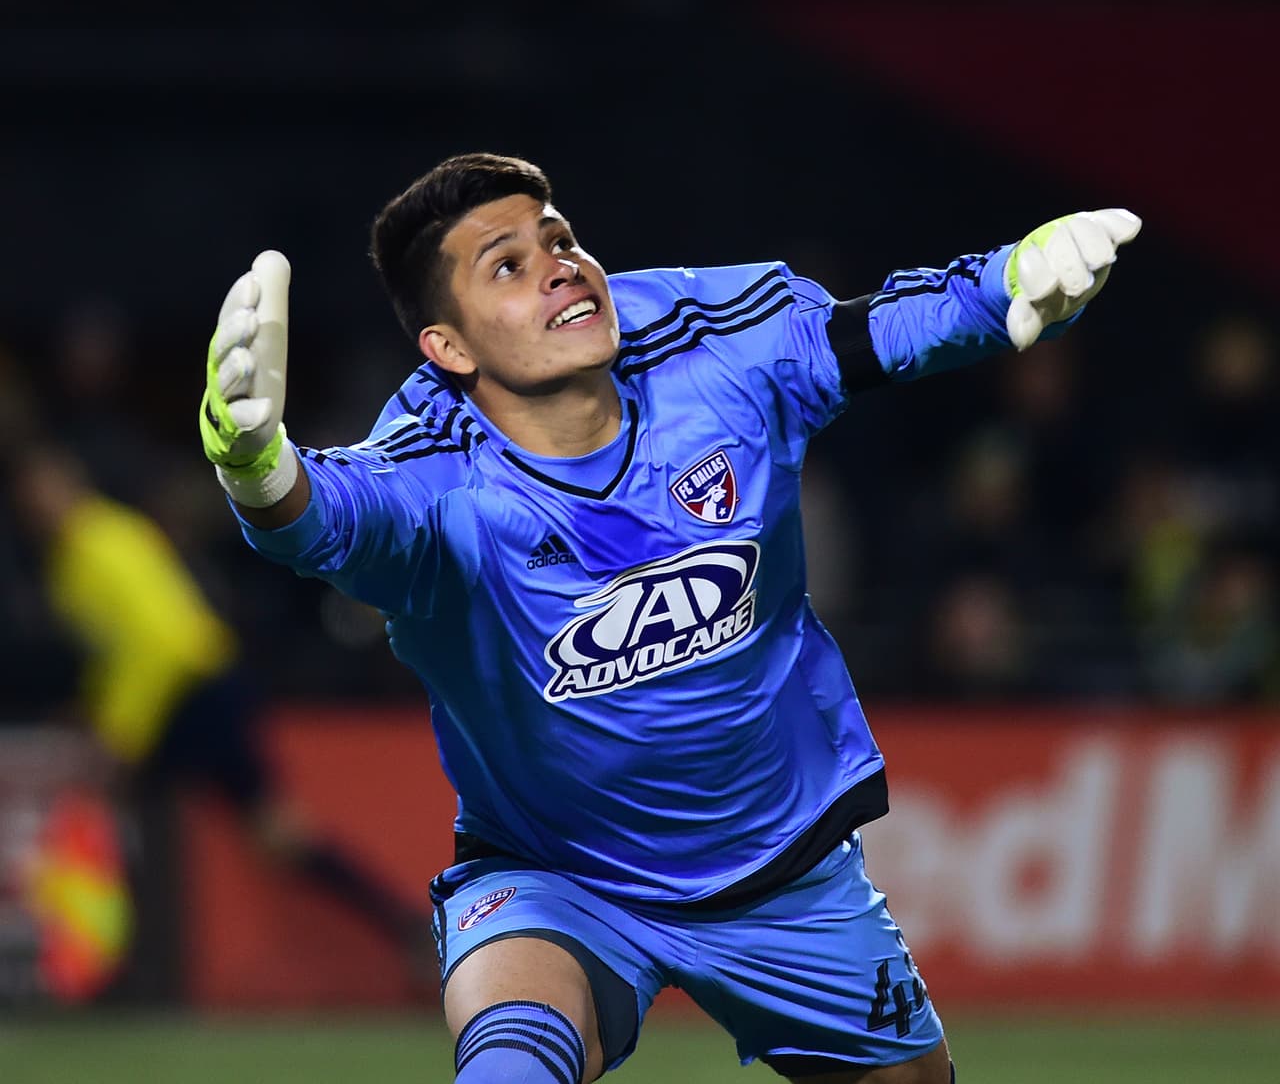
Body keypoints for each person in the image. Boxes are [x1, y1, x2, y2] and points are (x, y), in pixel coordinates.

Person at [198, 153, 1140, 1082]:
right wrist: (254, 465)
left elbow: (880, 330)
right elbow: (323, 520)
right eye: (509, 265)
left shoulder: (712, 343)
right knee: (511, 1060)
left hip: (786, 868)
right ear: (450, 348)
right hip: (558, 875)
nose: (560, 264)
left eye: (558, 237)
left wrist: (1012, 279)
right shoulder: (435, 475)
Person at [5, 443, 436, 987]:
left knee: (247, 830)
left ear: (72, 484)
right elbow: (124, 651)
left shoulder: (98, 545)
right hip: (185, 692)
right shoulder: (78, 558)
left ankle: (115, 967)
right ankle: (121, 966)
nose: (38, 504)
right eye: (29, 497)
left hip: (194, 692)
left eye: (44, 488)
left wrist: (118, 733)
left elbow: (160, 646)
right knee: (163, 824)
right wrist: (97, 711)